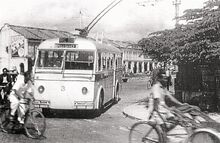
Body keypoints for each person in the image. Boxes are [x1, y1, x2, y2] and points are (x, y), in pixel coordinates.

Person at [8, 63, 34, 128]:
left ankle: (20, 123)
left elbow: (29, 91)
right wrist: (21, 96)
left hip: (20, 97)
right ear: (26, 76)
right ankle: (11, 116)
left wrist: (32, 97)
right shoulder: (20, 81)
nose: (30, 78)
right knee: (16, 102)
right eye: (30, 76)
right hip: (14, 95)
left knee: (23, 109)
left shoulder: (28, 83)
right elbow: (15, 90)